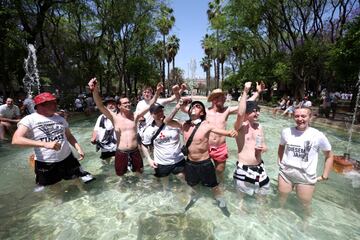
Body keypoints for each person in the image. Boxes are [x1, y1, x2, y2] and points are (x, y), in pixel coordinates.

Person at [164, 99, 238, 216]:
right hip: (190, 163)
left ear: (202, 113)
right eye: (192, 106)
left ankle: (221, 202)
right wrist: (177, 106)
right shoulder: (184, 125)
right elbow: (166, 121)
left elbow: (224, 132)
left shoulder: (206, 125)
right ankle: (194, 197)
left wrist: (231, 133)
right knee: (192, 184)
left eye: (197, 106)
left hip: (205, 163)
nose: (194, 107)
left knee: (214, 186)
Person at [12, 92, 94, 190]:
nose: (56, 105)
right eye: (51, 103)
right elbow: (16, 140)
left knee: (77, 180)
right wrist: (44, 144)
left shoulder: (60, 118)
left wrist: (78, 148)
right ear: (40, 106)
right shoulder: (29, 120)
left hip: (67, 158)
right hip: (46, 162)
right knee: (54, 189)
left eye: (55, 102)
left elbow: (69, 135)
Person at [88, 78, 162, 177]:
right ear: (119, 106)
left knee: (140, 174)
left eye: (129, 102)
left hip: (135, 151)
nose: (128, 104)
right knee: (120, 177)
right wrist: (94, 90)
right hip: (121, 152)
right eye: (125, 103)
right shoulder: (114, 118)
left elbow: (150, 105)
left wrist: (157, 92)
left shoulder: (135, 116)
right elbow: (100, 105)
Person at [277, 106, 333, 215]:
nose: (300, 119)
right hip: (286, 174)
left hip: (305, 177)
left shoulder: (318, 135)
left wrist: (324, 175)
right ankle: (279, 219)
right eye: (297, 116)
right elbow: (281, 146)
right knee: (281, 200)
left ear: (310, 117)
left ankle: (305, 223)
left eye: (303, 116)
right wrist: (279, 161)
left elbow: (329, 155)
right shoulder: (286, 132)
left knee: (305, 205)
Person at [206, 83, 265, 183]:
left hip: (220, 146)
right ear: (214, 99)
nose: (225, 99)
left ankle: (218, 185)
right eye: (222, 98)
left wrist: (257, 93)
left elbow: (245, 104)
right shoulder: (206, 111)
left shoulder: (226, 110)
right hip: (206, 146)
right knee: (204, 169)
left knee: (220, 171)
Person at [233, 82, 271, 208]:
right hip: (244, 169)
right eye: (254, 111)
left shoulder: (259, 126)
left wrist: (263, 148)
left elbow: (265, 146)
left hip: (260, 169)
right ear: (247, 113)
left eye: (258, 111)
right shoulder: (240, 127)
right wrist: (245, 91)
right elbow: (240, 113)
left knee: (262, 200)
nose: (257, 114)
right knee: (241, 201)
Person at [142, 102, 185, 190]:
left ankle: (186, 194)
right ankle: (166, 198)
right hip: (161, 163)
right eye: (156, 112)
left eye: (161, 110)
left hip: (178, 160)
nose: (159, 113)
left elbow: (186, 133)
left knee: (184, 180)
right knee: (164, 185)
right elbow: (144, 145)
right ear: (151, 114)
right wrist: (149, 159)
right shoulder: (149, 130)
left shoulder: (175, 123)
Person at [90, 97, 118, 164]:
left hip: (117, 146)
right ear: (105, 106)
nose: (111, 105)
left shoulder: (119, 116)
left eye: (113, 104)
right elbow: (96, 130)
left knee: (119, 164)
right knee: (106, 164)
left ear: (116, 105)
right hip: (104, 147)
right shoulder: (101, 117)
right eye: (109, 104)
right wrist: (93, 138)